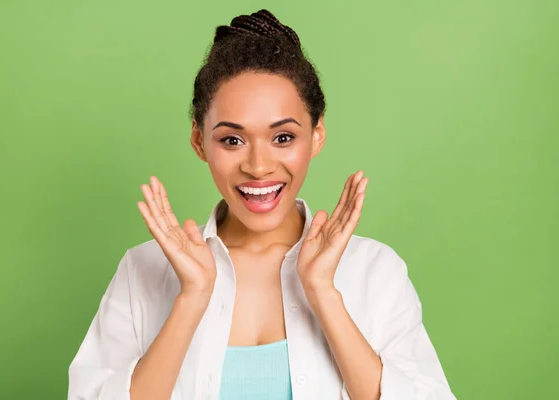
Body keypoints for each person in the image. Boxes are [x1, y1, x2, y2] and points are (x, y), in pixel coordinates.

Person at [68, 9, 456, 400]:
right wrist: (191, 300)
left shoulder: (375, 271)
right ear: (200, 142)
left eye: (283, 137)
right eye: (232, 140)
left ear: (317, 135)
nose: (258, 166)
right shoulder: (142, 271)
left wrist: (323, 292)